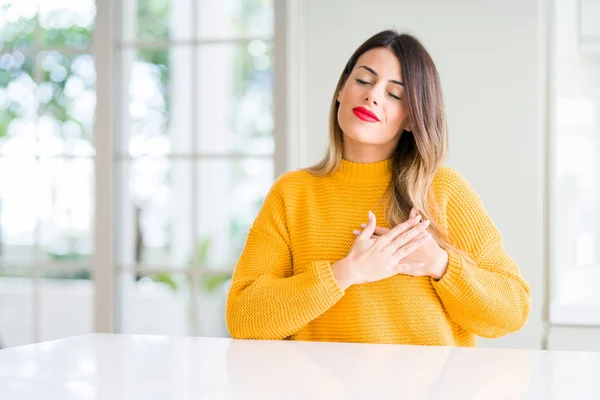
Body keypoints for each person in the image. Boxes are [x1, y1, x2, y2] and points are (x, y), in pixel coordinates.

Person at [225, 29, 531, 346]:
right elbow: (243, 317)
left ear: (411, 118)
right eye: (363, 80)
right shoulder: (292, 193)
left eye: (394, 94)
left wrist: (440, 265)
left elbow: (513, 309)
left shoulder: (442, 190)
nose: (372, 95)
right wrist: (346, 272)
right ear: (342, 88)